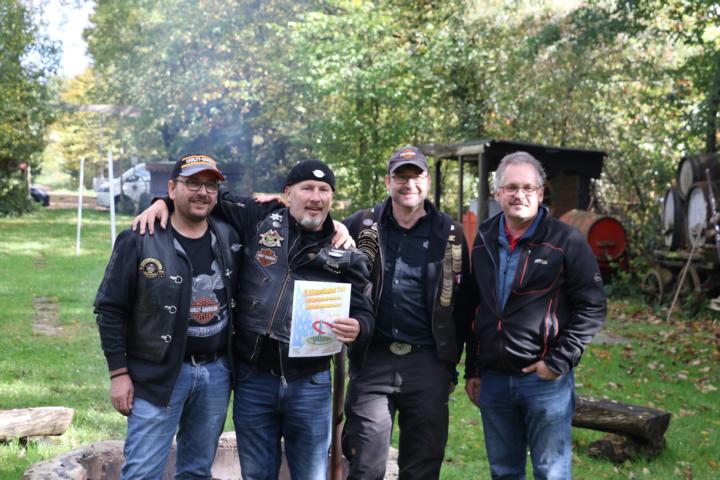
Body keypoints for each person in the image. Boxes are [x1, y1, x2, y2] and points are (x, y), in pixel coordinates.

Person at [135, 159, 374, 480]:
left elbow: (364, 311)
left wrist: (359, 326)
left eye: (324, 190)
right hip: (254, 380)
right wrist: (163, 202)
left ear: (332, 197)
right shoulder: (258, 219)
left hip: (311, 385)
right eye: (307, 188)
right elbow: (206, 198)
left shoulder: (346, 252)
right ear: (288, 192)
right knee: (257, 475)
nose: (315, 197)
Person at [462, 151, 607, 479]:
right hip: (494, 380)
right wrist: (474, 368)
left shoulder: (566, 240)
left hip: (544, 382)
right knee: (503, 472)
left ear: (541, 194)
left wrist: (558, 361)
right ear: (498, 193)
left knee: (551, 472)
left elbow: (593, 305)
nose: (520, 195)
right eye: (511, 187)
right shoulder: (484, 238)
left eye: (528, 187)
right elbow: (475, 306)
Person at [94, 154, 240, 479]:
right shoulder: (140, 238)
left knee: (197, 472)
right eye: (193, 183)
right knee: (142, 473)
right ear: (172, 189)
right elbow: (109, 308)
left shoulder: (229, 236)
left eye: (210, 185)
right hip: (157, 376)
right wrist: (119, 373)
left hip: (216, 374)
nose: (202, 192)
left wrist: (336, 226)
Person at [341, 146, 470, 480]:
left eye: (416, 176)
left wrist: (450, 364)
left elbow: (465, 304)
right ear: (388, 181)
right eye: (401, 176)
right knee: (365, 464)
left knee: (422, 466)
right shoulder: (362, 225)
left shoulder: (451, 233)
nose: (408, 184)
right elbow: (319, 238)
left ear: (427, 182)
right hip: (373, 359)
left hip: (427, 362)